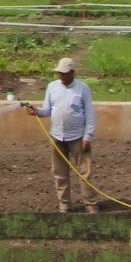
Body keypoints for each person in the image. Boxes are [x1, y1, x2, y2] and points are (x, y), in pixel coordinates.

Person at [26, 56, 98, 214]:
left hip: (78, 137)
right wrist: (37, 111)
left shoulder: (82, 88)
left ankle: (90, 204)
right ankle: (64, 205)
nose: (61, 76)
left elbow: (90, 114)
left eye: (64, 73)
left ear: (72, 72)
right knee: (59, 173)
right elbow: (48, 110)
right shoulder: (52, 87)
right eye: (60, 73)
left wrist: (88, 136)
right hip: (57, 136)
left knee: (85, 172)